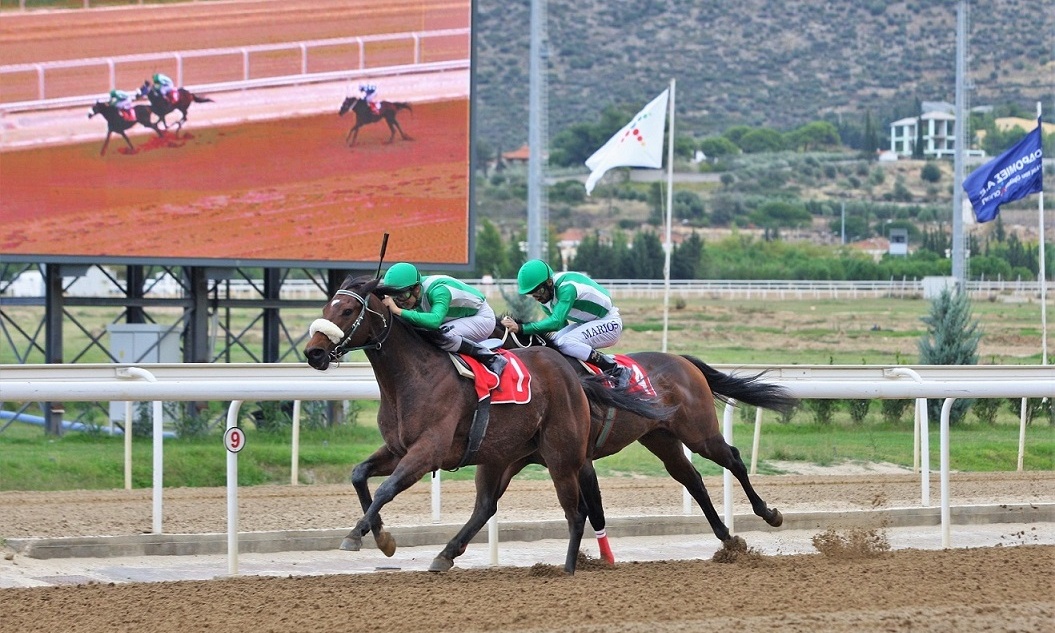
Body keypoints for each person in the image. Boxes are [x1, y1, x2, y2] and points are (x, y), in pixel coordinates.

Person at [503, 259, 631, 388]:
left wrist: (521, 328)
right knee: (554, 343)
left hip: (609, 322)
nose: (537, 298)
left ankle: (617, 370)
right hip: (590, 323)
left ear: (549, 282)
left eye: (539, 291)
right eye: (532, 294)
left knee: (566, 342)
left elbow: (556, 322)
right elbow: (561, 326)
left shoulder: (567, 288)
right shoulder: (546, 302)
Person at [380, 262, 507, 377]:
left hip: (481, 318)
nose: (400, 302)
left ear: (417, 289)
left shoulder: (439, 290)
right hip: (456, 319)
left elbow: (435, 321)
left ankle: (491, 358)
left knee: (442, 335)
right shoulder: (415, 293)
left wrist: (398, 311)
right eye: (395, 297)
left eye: (402, 296)